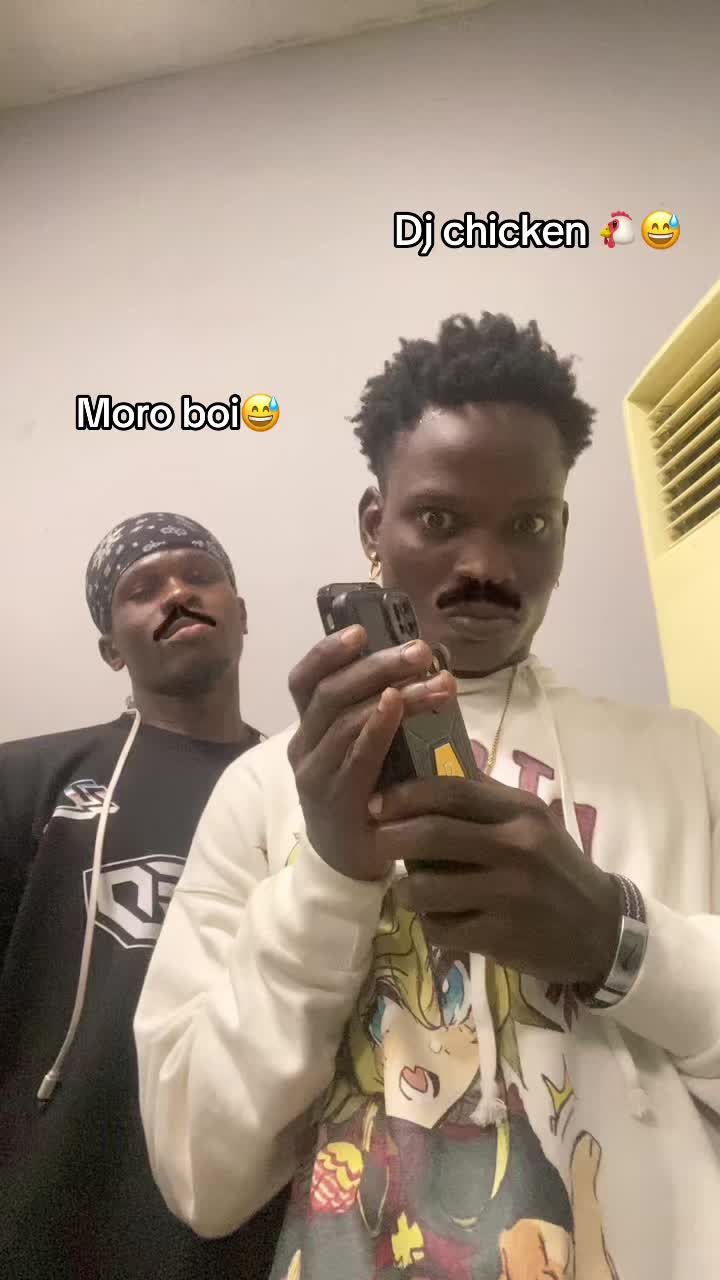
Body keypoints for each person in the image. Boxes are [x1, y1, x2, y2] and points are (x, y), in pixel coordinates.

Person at [134, 321, 720, 1278]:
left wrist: (615, 940)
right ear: (375, 525)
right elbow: (201, 1179)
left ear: (564, 532)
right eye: (441, 521)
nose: (488, 565)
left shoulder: (683, 757)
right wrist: (328, 877)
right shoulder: (262, 786)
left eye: (529, 525)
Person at [0, 512, 288, 1279]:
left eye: (199, 575)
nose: (177, 594)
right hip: (51, 1212)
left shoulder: (306, 792)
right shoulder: (28, 783)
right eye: (142, 589)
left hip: (257, 1227)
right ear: (110, 648)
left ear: (241, 612)